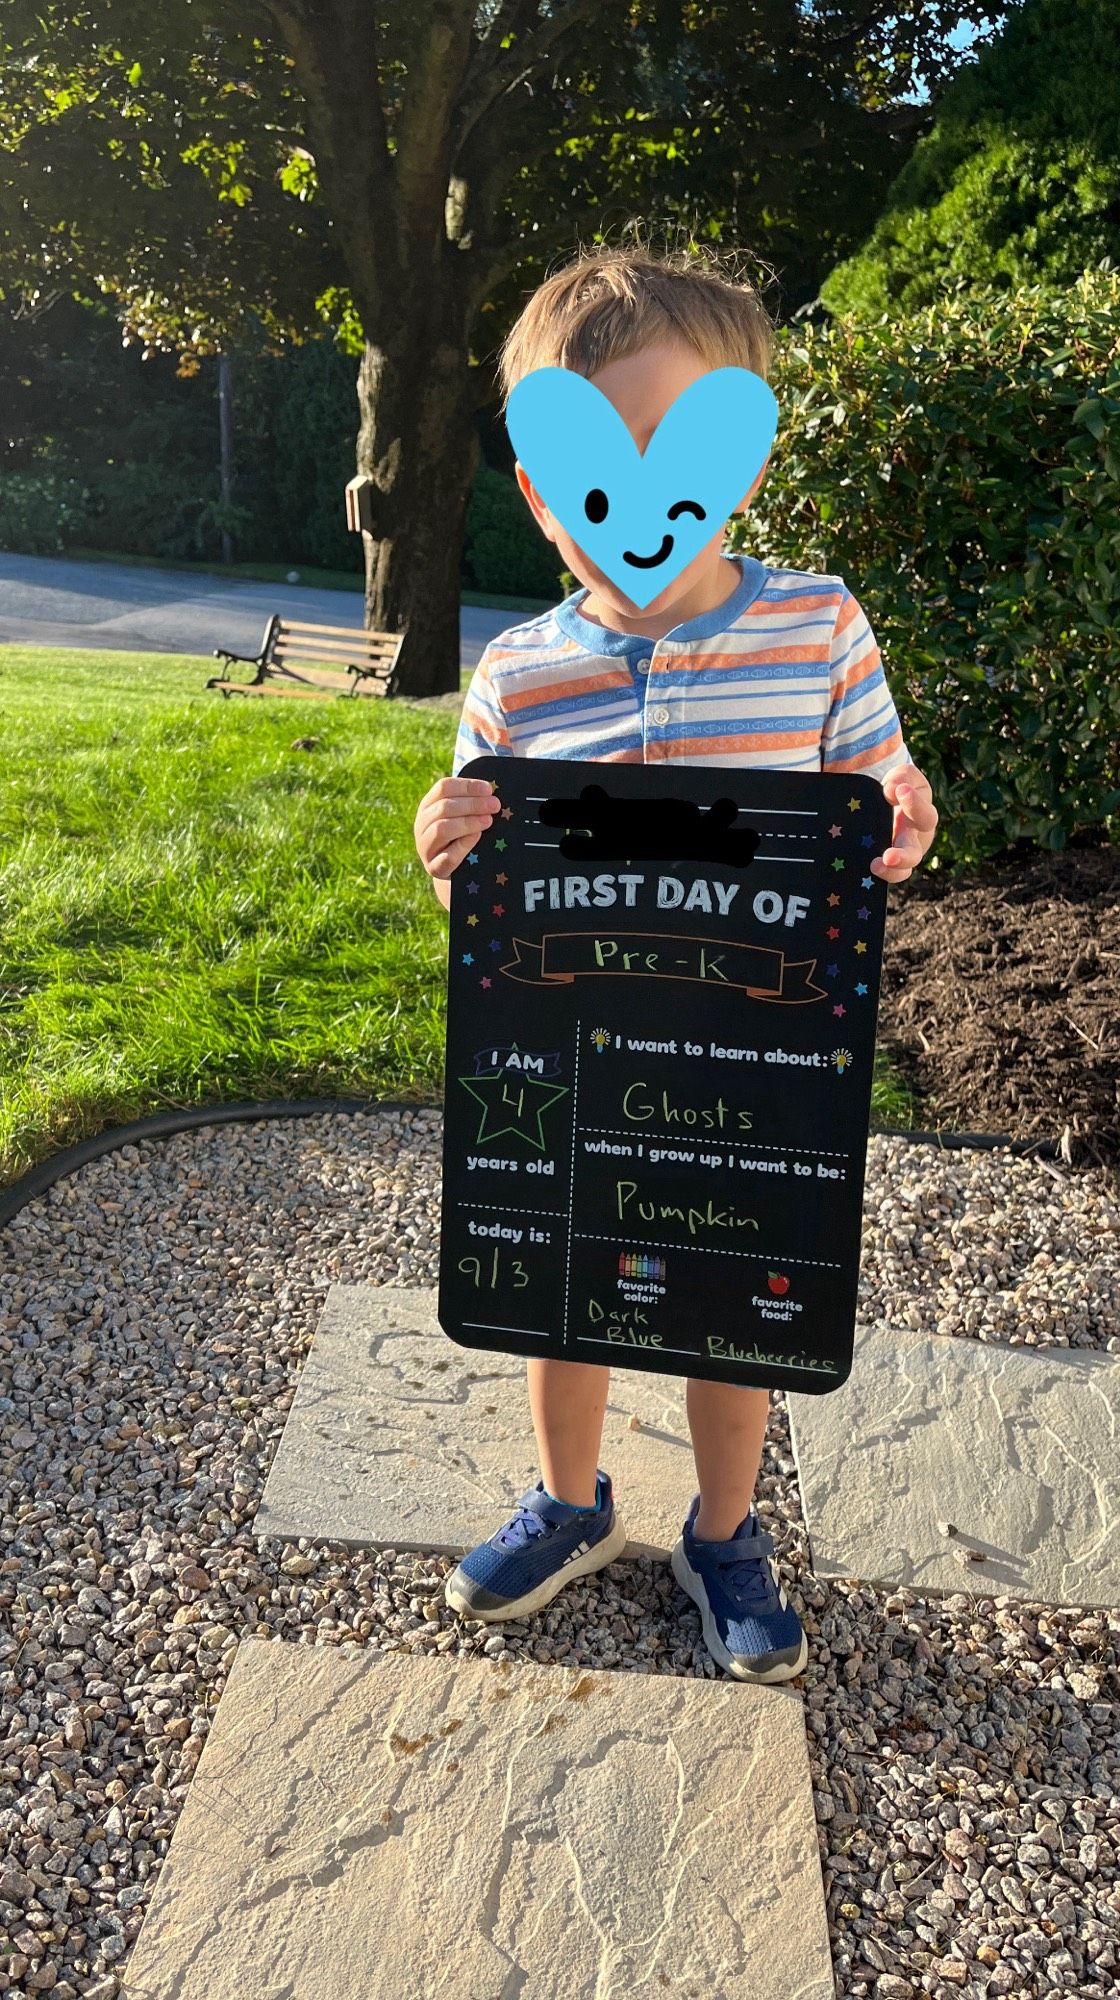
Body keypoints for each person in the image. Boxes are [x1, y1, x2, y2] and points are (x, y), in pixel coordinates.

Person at [412, 242, 939, 1683]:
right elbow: (481, 876)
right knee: (559, 1284)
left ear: (739, 465)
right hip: (579, 1058)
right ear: (535, 488)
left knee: (734, 1307)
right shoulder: (520, 672)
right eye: (595, 472)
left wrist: (899, 826)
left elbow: (880, 811)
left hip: (752, 1061)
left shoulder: (815, 626)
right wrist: (445, 838)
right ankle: (569, 1501)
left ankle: (722, 1531)